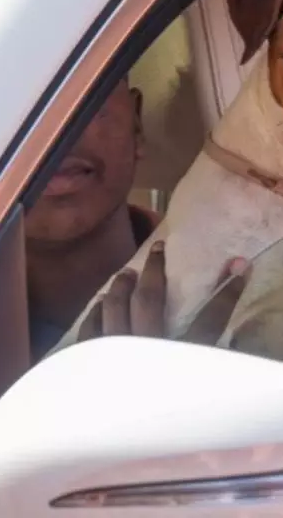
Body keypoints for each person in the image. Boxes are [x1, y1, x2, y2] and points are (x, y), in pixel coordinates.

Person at [25, 77, 248, 360]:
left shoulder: (245, 295)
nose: (51, 132)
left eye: (83, 96)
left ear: (136, 124)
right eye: (12, 109)